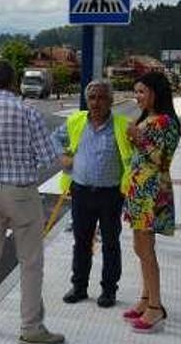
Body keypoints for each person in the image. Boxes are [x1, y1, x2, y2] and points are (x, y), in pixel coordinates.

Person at [0, 60, 64, 344]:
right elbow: (47, 156)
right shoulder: (27, 112)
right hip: (21, 193)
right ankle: (30, 327)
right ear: (14, 82)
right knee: (30, 261)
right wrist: (23, 163)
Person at [51, 80, 133, 308]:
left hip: (111, 195)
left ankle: (109, 290)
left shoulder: (122, 125)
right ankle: (79, 287)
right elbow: (54, 138)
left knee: (110, 243)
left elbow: (136, 156)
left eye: (101, 97)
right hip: (81, 192)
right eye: (92, 98)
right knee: (81, 242)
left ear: (111, 101)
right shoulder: (76, 121)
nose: (96, 102)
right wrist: (63, 156)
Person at [122, 71, 180, 334]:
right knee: (140, 247)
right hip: (139, 191)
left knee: (145, 249)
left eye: (142, 92)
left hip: (152, 192)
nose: (137, 97)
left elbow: (161, 159)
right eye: (136, 92)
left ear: (157, 92)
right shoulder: (148, 119)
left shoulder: (165, 122)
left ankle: (155, 306)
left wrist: (137, 136)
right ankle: (146, 299)